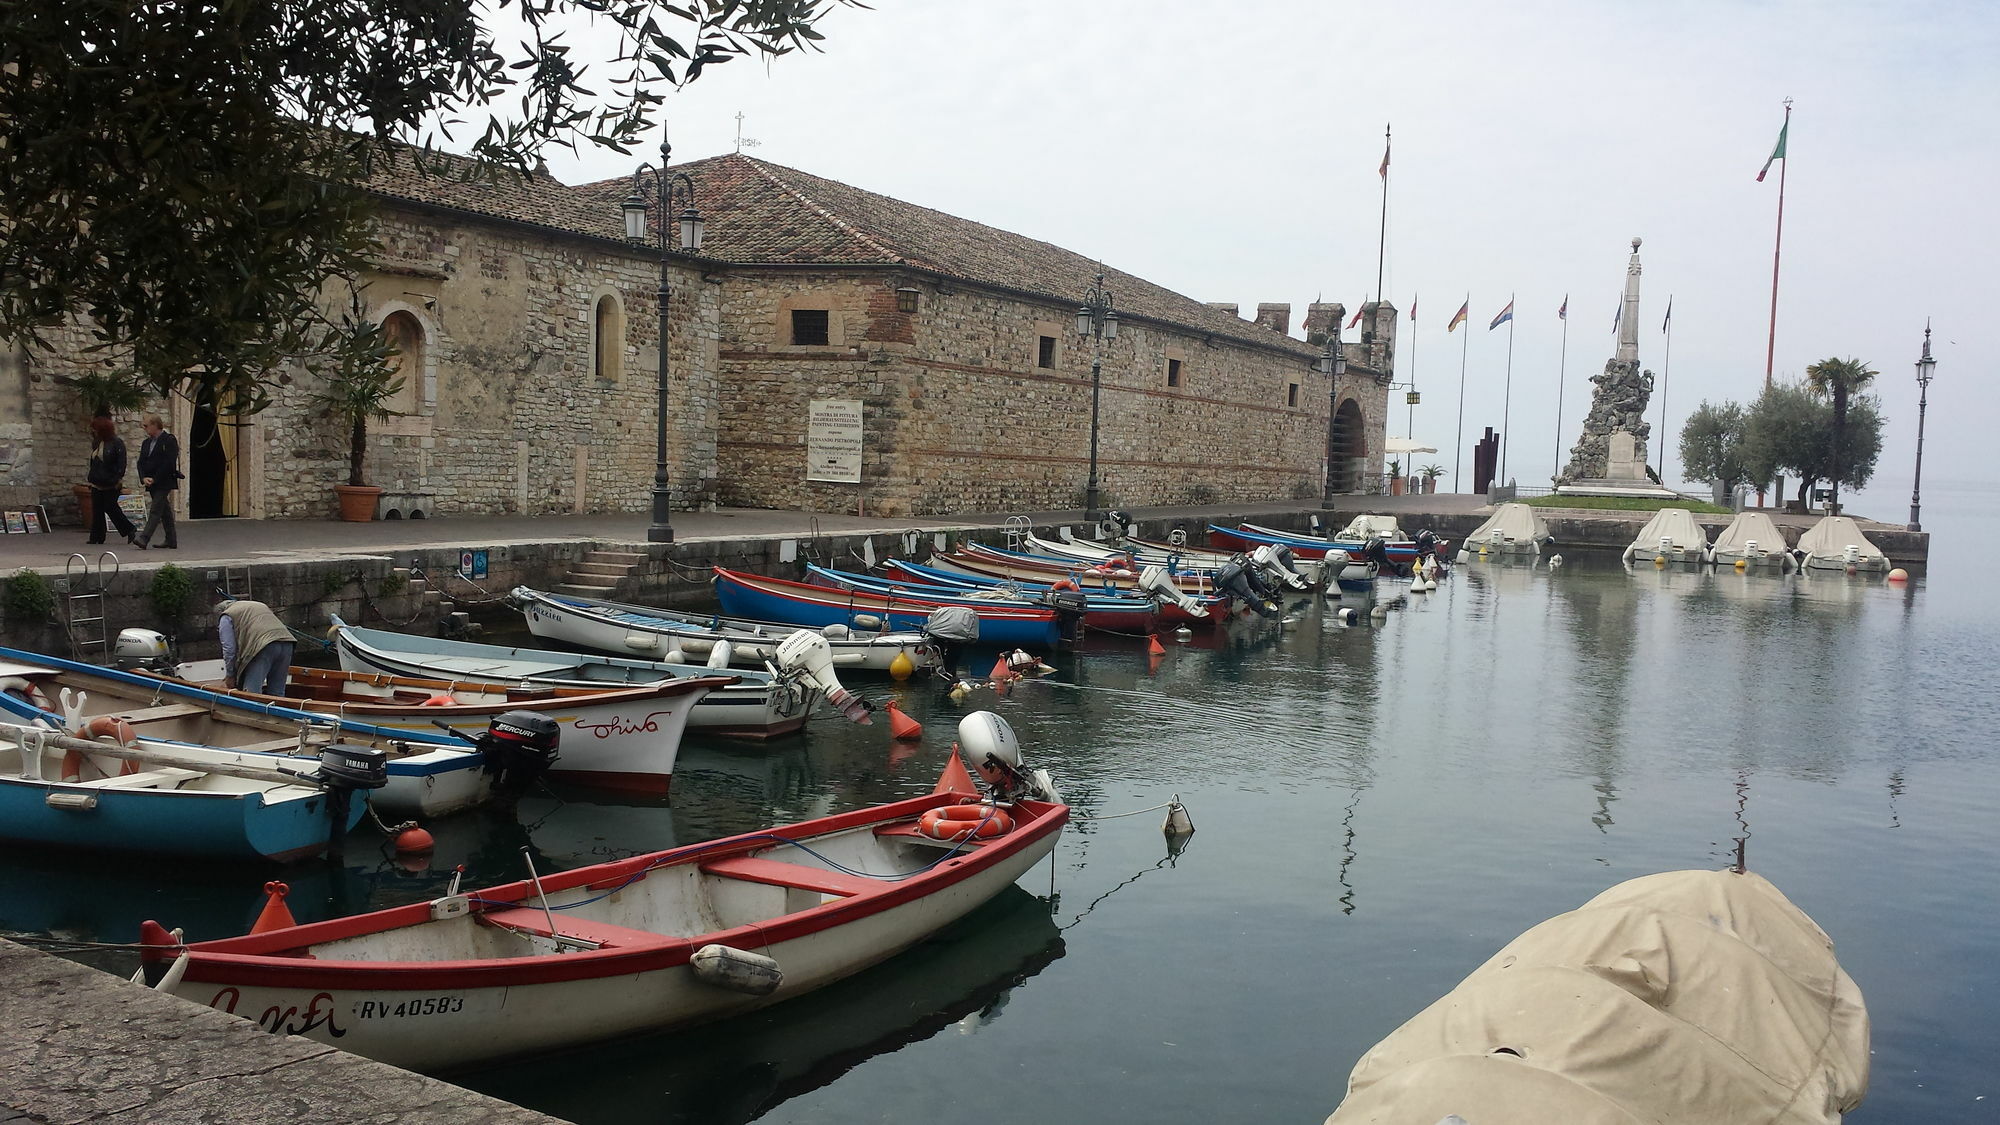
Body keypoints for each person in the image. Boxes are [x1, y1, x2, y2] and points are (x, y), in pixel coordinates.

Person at [218, 597, 294, 696]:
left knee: (252, 694)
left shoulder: (226, 615)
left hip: (263, 646)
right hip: (287, 641)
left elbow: (229, 649)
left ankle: (251, 711)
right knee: (277, 692)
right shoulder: (257, 605)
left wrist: (230, 675)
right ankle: (279, 710)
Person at [85, 415, 139, 547]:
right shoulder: (97, 443)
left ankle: (129, 529)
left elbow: (121, 463)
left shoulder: (117, 443)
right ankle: (97, 536)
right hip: (97, 481)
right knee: (97, 509)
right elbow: (94, 462)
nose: (94, 432)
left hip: (111, 482)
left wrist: (116, 478)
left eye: (96, 429)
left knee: (111, 507)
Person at [134, 413, 181, 550]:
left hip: (164, 481)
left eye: (146, 426)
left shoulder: (169, 440)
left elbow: (169, 462)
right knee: (164, 510)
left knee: (155, 509)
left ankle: (144, 538)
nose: (144, 428)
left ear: (155, 425)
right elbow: (141, 462)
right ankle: (171, 540)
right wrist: (143, 477)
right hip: (150, 481)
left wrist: (156, 478)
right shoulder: (146, 443)